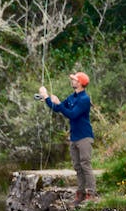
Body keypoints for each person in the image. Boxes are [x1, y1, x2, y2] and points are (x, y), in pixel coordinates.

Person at [38, 71, 95, 203]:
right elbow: (57, 108)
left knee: (85, 165)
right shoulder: (72, 97)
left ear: (80, 83)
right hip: (74, 137)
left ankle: (91, 194)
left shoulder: (84, 99)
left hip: (84, 137)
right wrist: (46, 97)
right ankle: (80, 194)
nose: (72, 81)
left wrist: (60, 104)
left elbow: (72, 114)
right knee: (77, 166)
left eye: (74, 80)